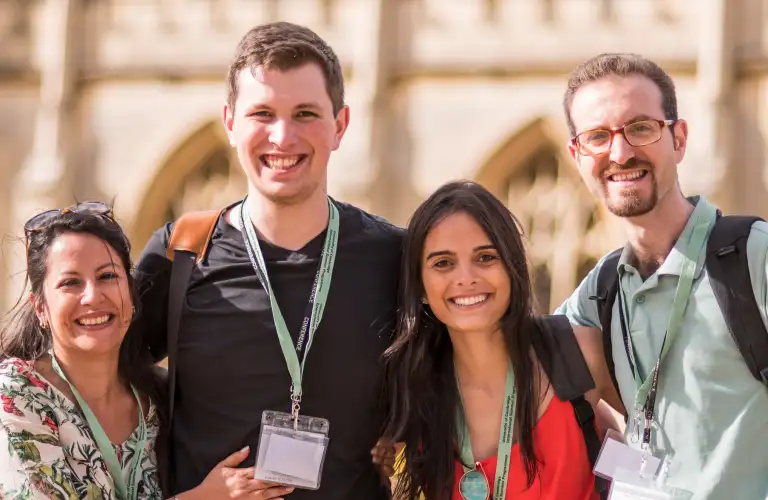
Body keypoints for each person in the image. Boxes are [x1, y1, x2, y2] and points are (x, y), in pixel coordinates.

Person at [132, 22, 403, 499]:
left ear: (340, 125)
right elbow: (90, 384)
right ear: (230, 123)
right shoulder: (180, 255)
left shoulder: (396, 258)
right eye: (262, 113)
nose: (283, 136)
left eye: (305, 113)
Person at [556, 52, 768, 499]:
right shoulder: (598, 293)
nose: (620, 152)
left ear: (679, 138)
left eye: (640, 128)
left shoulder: (754, 258)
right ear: (577, 155)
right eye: (598, 136)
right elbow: (509, 369)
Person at [0, 203, 285, 499]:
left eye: (107, 276)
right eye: (70, 282)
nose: (92, 296)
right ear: (40, 308)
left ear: (131, 292)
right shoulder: (17, 395)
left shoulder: (157, 400)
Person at [383, 181, 623, 500]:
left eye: (485, 258)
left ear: (513, 267)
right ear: (421, 287)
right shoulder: (410, 393)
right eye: (443, 263)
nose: (466, 277)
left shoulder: (580, 353)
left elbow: (672, 444)